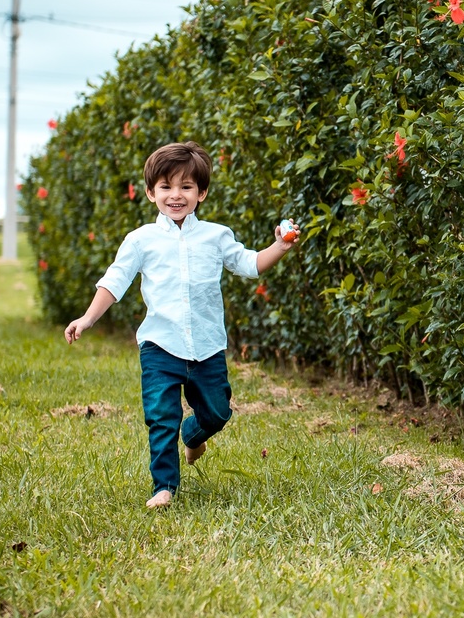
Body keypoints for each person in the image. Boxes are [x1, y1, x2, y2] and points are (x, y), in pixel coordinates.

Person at [64, 141, 298, 508]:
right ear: (150, 192)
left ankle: (194, 435)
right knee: (161, 417)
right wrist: (88, 318)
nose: (176, 195)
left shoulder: (216, 236)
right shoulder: (140, 240)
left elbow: (250, 264)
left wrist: (279, 248)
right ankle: (164, 487)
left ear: (201, 192)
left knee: (218, 412)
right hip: (160, 345)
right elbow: (115, 281)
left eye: (186, 187)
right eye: (166, 187)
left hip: (207, 346)